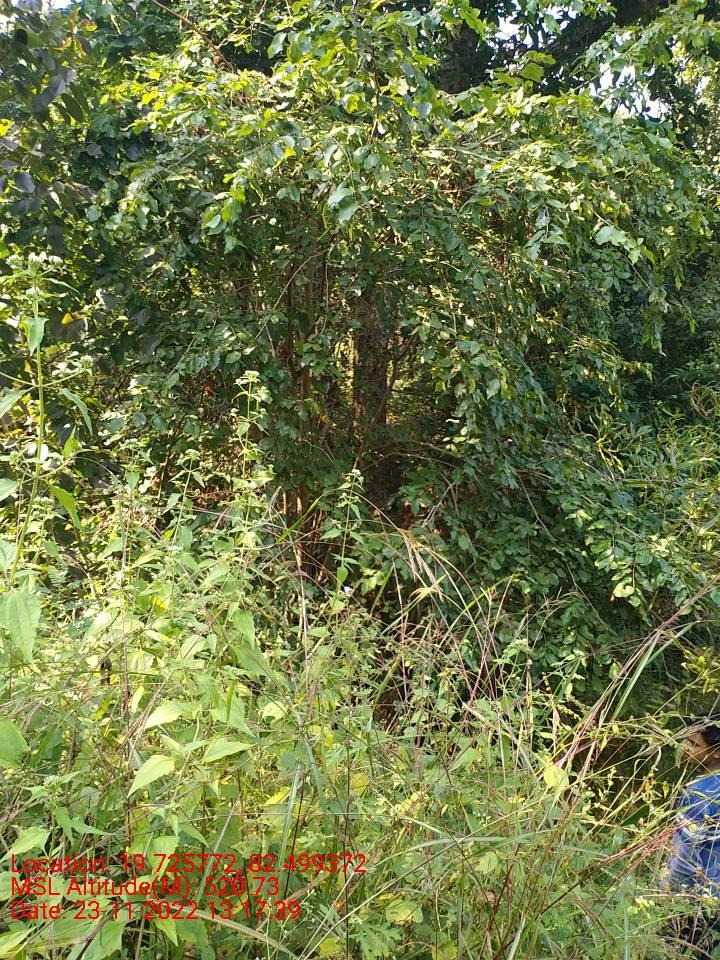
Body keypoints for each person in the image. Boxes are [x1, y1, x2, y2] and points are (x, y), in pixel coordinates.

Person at [662, 717, 720, 956]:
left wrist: (666, 896)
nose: (684, 748)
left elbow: (684, 860)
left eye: (694, 744)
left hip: (695, 903)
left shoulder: (698, 794)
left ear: (716, 752)